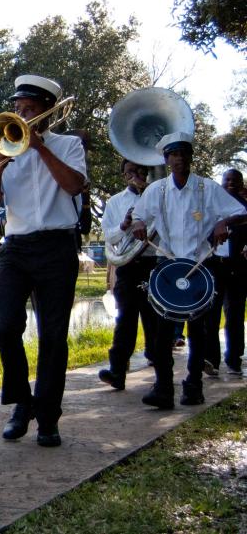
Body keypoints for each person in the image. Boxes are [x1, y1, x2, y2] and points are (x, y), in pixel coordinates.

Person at [0, 75, 86, 448]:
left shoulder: (68, 145)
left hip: (57, 246)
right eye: (18, 108)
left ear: (47, 111)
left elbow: (74, 185)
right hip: (16, 247)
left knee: (53, 336)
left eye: (28, 109)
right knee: (5, 326)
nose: (21, 114)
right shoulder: (0, 147)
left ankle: (48, 418)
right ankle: (22, 403)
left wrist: (40, 148)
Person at [131, 133, 246, 408]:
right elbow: (138, 215)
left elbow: (242, 212)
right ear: (166, 159)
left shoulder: (207, 188)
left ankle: (193, 386)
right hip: (169, 267)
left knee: (199, 331)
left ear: (191, 157)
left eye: (184, 154)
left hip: (200, 267)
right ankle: (163, 388)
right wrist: (137, 224)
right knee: (162, 332)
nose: (179, 159)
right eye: (174, 154)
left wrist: (223, 223)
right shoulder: (156, 190)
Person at [98, 159, 158, 390]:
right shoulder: (115, 202)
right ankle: (117, 371)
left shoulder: (157, 195)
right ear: (123, 176)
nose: (135, 175)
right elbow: (109, 237)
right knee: (125, 320)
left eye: (139, 170)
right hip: (128, 264)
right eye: (129, 172)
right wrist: (123, 225)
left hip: (153, 261)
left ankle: (161, 374)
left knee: (155, 319)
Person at [219, 169, 247, 375]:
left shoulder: (245, 206)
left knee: (234, 314)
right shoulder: (213, 205)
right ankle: (209, 357)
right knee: (209, 315)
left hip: (238, 268)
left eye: (235, 180)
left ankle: (234, 357)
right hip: (216, 266)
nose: (230, 183)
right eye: (227, 179)